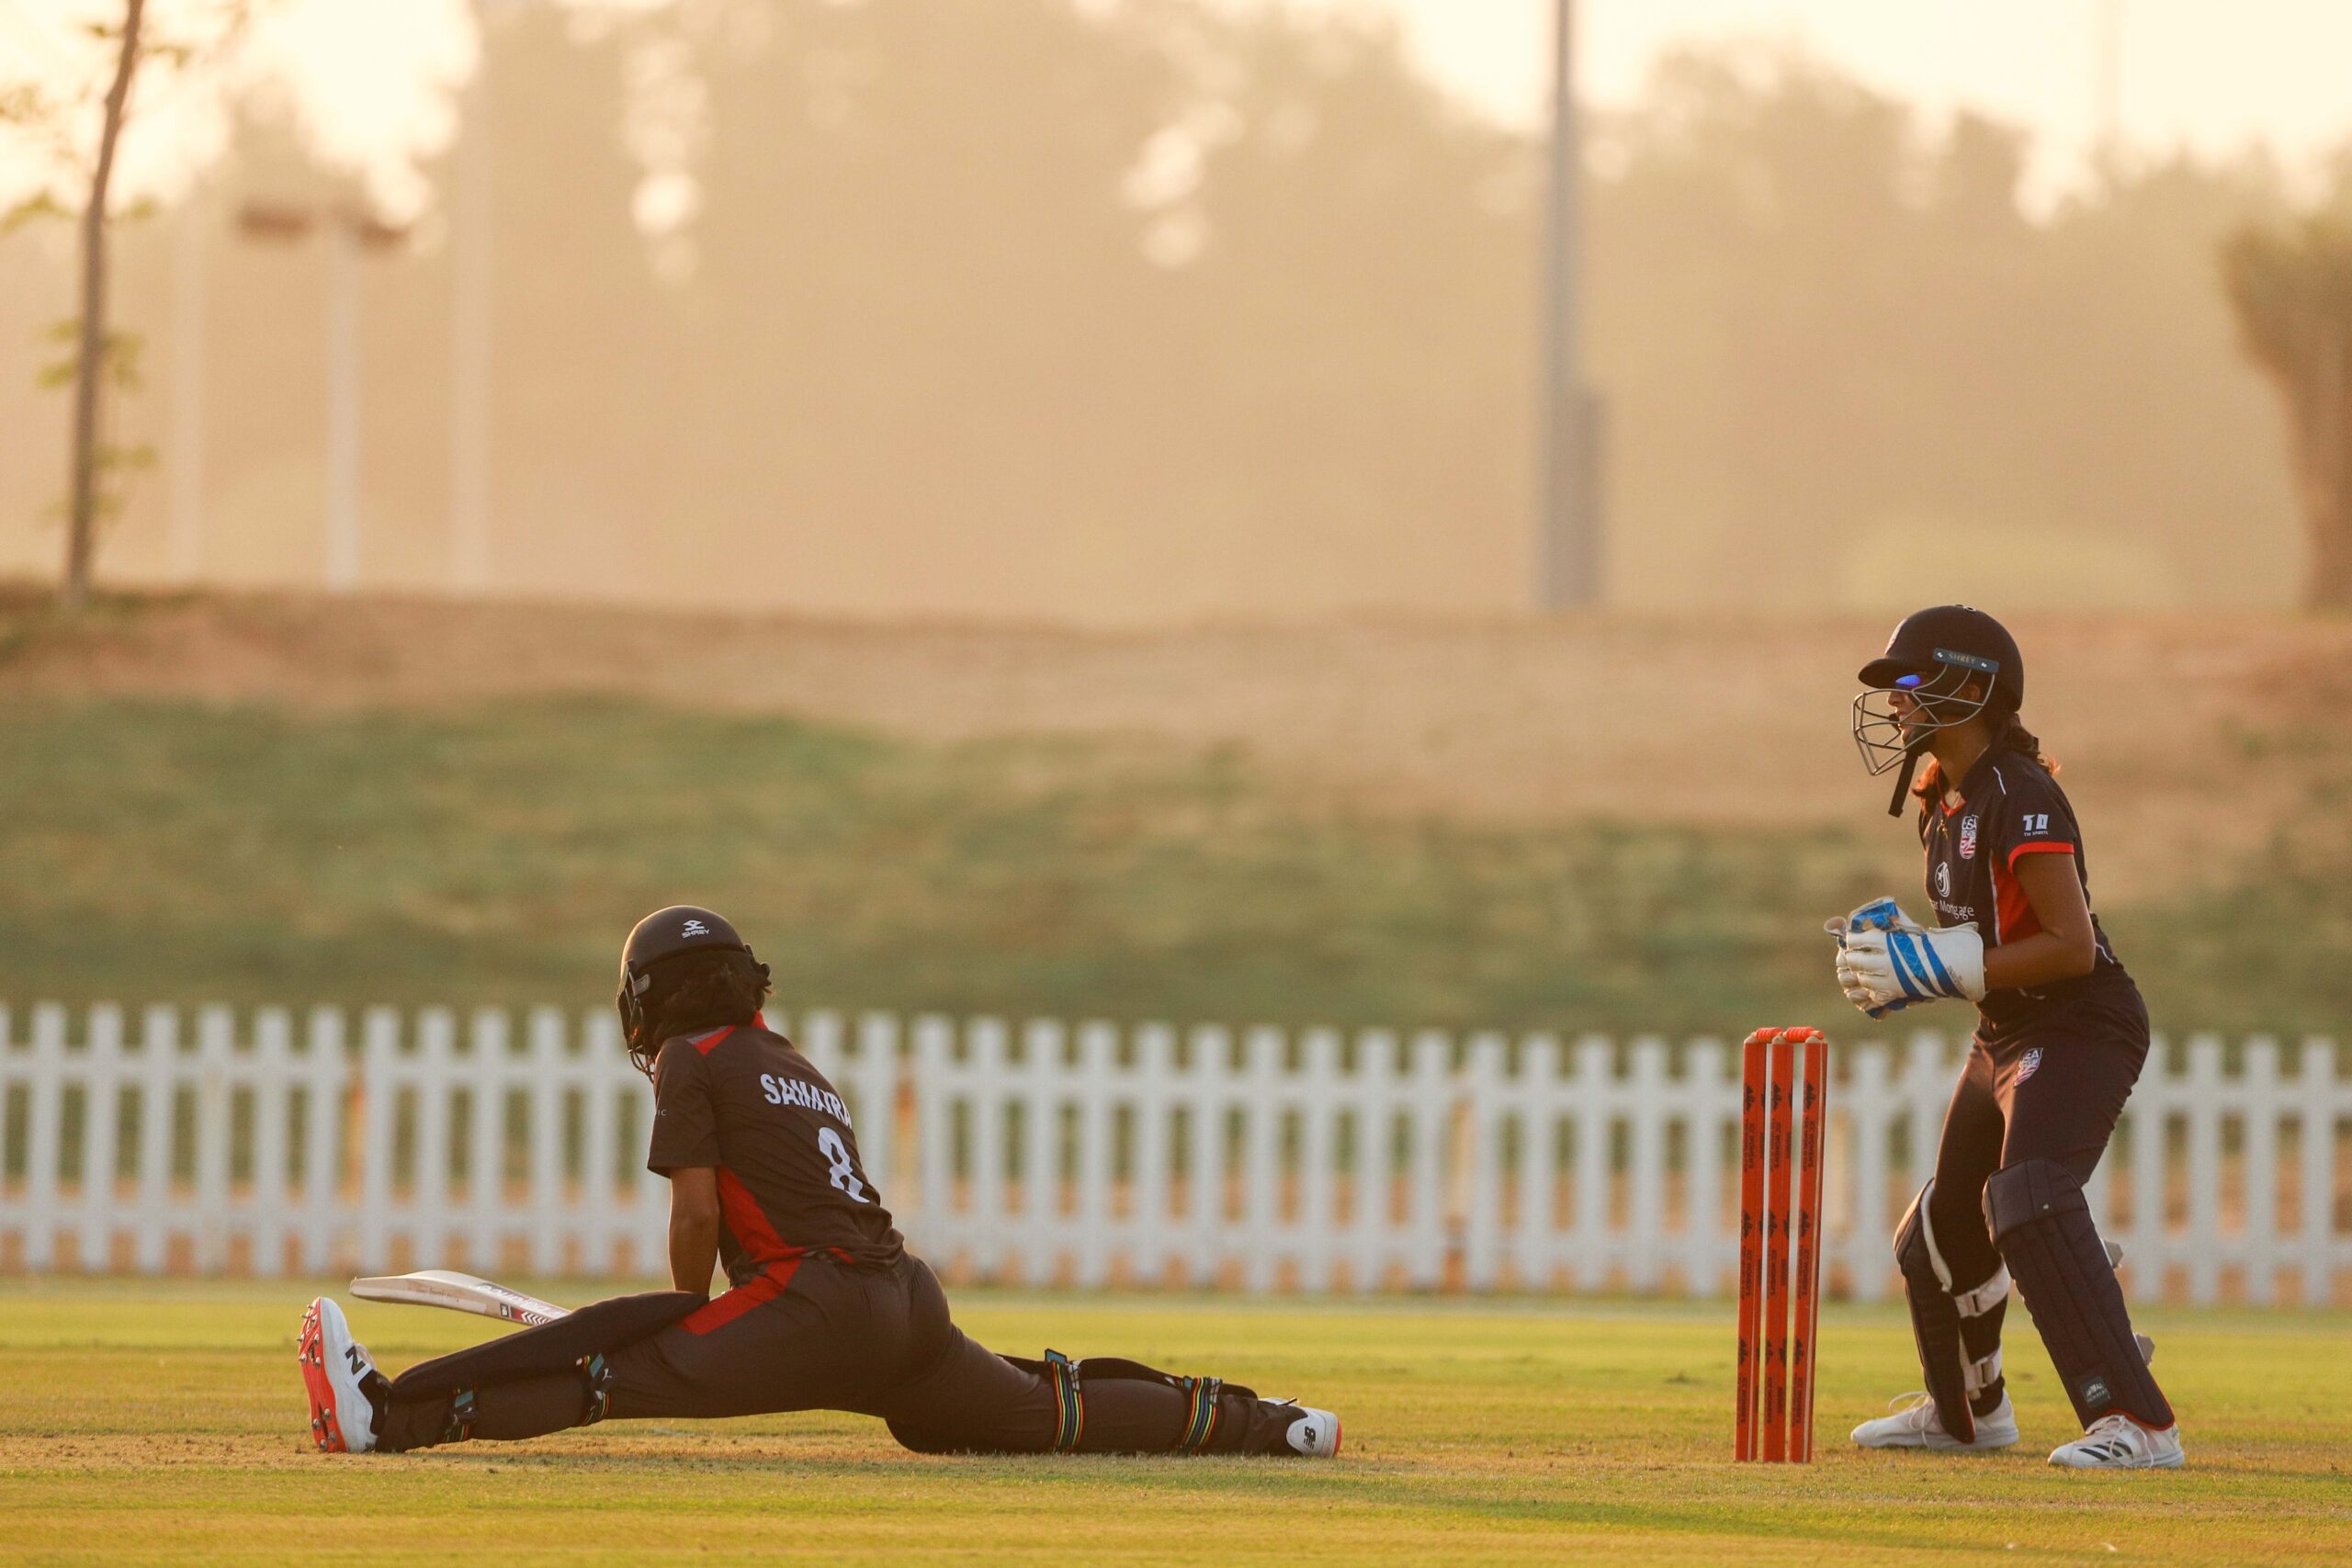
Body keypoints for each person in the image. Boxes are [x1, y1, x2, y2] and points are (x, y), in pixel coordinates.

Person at [299, 905, 1340, 1460]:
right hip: (905, 1303)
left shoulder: (688, 1058)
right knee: (1037, 1412)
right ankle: (1269, 1425)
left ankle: (389, 1420)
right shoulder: (791, 1057)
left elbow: (701, 1207)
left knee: (608, 1379)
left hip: (811, 1308)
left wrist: (681, 1320)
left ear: (645, 1001)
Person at [1830, 605, 2183, 1470]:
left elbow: (2068, 946)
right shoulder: (1940, 801)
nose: (1899, 703)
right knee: (1940, 1233)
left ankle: (2139, 1425)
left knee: (2026, 1198)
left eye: (1914, 683)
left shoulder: (2021, 791)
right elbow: (1989, 942)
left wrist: (1942, 964)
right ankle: (1967, 1416)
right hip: (2008, 1028)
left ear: (1975, 688)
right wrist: (1914, 951)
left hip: (2081, 1021)